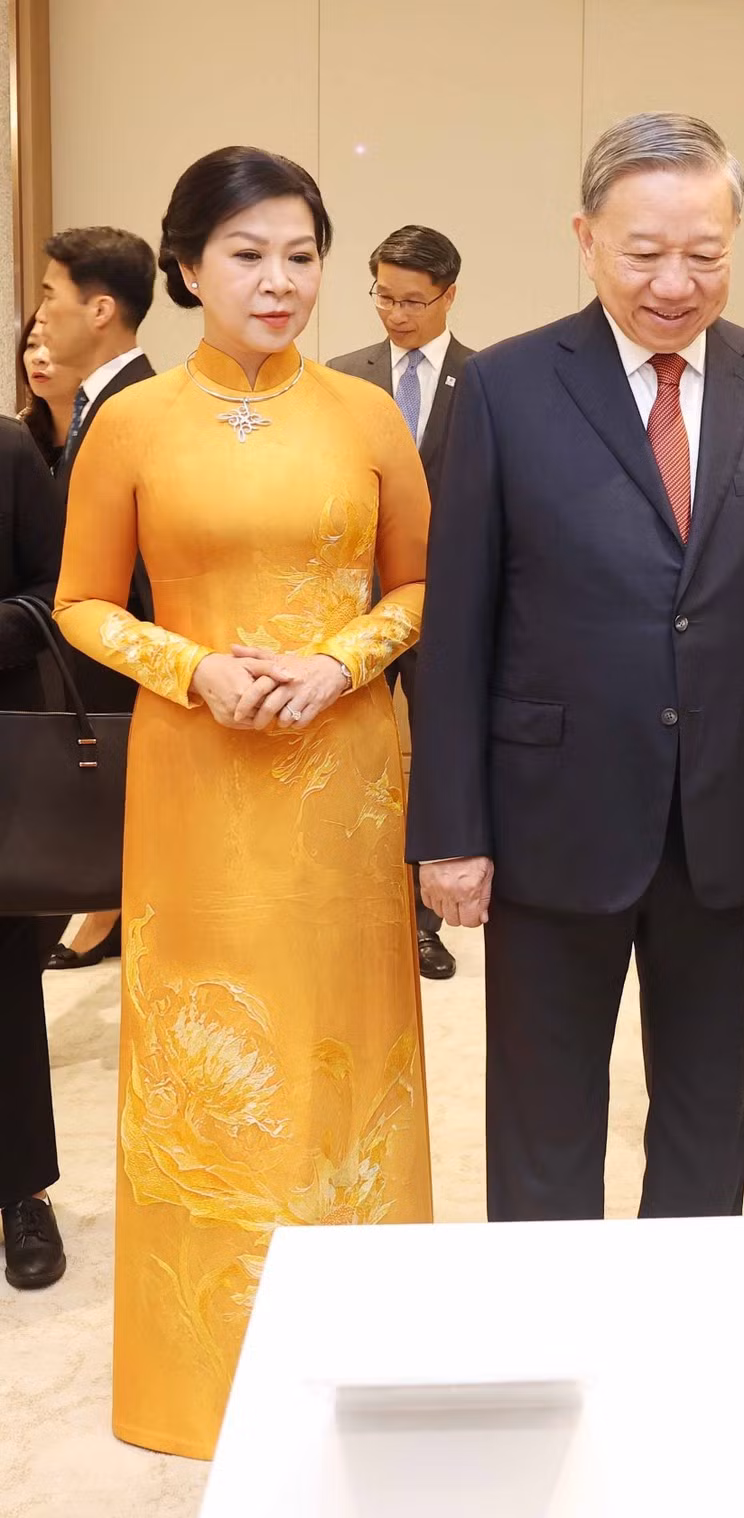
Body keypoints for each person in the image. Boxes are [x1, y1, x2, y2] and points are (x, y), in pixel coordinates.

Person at [52, 146, 435, 1459]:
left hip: (347, 785)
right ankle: (206, 1388)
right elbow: (84, 603)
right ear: (185, 267)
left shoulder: (370, 413)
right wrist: (193, 663)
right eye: (246, 254)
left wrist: (340, 659)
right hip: (197, 780)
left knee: (346, 1057)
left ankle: (363, 1370)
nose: (279, 281)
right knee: (211, 1077)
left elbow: (422, 588)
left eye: (299, 254)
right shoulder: (136, 420)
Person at [410, 113, 744, 1223]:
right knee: (544, 1119)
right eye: (644, 251)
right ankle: (548, 1348)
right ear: (585, 238)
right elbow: (454, 626)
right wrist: (450, 831)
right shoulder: (506, 387)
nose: (674, 281)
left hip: (727, 820)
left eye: (704, 253)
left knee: (708, 1115)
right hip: (549, 814)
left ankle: (680, 1340)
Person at [330, 223, 477, 982]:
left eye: (414, 300)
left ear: (449, 294)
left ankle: (422, 920)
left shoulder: (485, 380)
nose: (396, 313)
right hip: (359, 610)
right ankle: (346, 905)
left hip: (450, 607)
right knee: (348, 758)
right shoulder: (341, 376)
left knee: (440, 759)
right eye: (384, 296)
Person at [34, 226, 158, 973]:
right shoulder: (90, 405)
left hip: (129, 684)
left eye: (51, 296)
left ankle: (109, 909)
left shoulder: (135, 407)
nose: (40, 316)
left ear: (102, 308)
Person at [0, 410, 66, 1292]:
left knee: (6, 978)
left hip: (4, 751)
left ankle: (22, 1190)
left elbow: (65, 591)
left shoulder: (8, 450)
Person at [19, 321, 73, 469]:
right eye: (32, 345)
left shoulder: (107, 427)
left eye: (53, 344)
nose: (38, 358)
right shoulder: (21, 431)